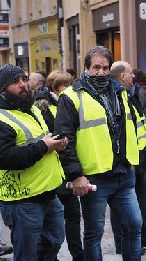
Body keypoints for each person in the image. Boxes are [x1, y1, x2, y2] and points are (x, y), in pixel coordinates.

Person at [54, 46, 143, 261]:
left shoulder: (119, 91)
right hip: (94, 177)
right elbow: (65, 140)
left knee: (134, 225)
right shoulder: (71, 96)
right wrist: (76, 175)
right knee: (94, 234)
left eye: (104, 68)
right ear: (86, 68)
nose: (101, 72)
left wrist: (132, 161)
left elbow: (127, 129)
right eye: (96, 68)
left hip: (123, 174)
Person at [0, 64, 67, 260]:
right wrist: (44, 147)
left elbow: (41, 140)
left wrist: (57, 143)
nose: (22, 85)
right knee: (27, 255)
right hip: (23, 201)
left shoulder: (31, 109)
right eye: (14, 82)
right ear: (3, 90)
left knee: (53, 244)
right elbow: (4, 158)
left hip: (48, 193)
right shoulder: (3, 118)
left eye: (23, 79)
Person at [109, 63, 146, 254]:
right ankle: (124, 242)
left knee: (143, 195)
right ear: (123, 76)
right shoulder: (114, 96)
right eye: (131, 72)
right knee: (123, 203)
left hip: (139, 159)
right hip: (127, 162)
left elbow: (140, 127)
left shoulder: (131, 94)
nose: (134, 75)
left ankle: (142, 235)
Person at [35, 70, 84, 261]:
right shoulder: (44, 109)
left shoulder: (70, 103)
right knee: (50, 220)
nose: (67, 89)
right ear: (54, 88)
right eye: (63, 86)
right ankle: (50, 255)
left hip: (66, 170)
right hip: (52, 172)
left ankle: (77, 254)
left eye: (69, 85)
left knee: (72, 215)